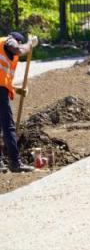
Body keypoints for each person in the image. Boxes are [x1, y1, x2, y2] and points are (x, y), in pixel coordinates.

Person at [0, 31, 38, 173]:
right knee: (8, 127)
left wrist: (17, 90)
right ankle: (15, 163)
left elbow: (3, 78)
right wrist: (29, 44)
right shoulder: (9, 41)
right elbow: (17, 49)